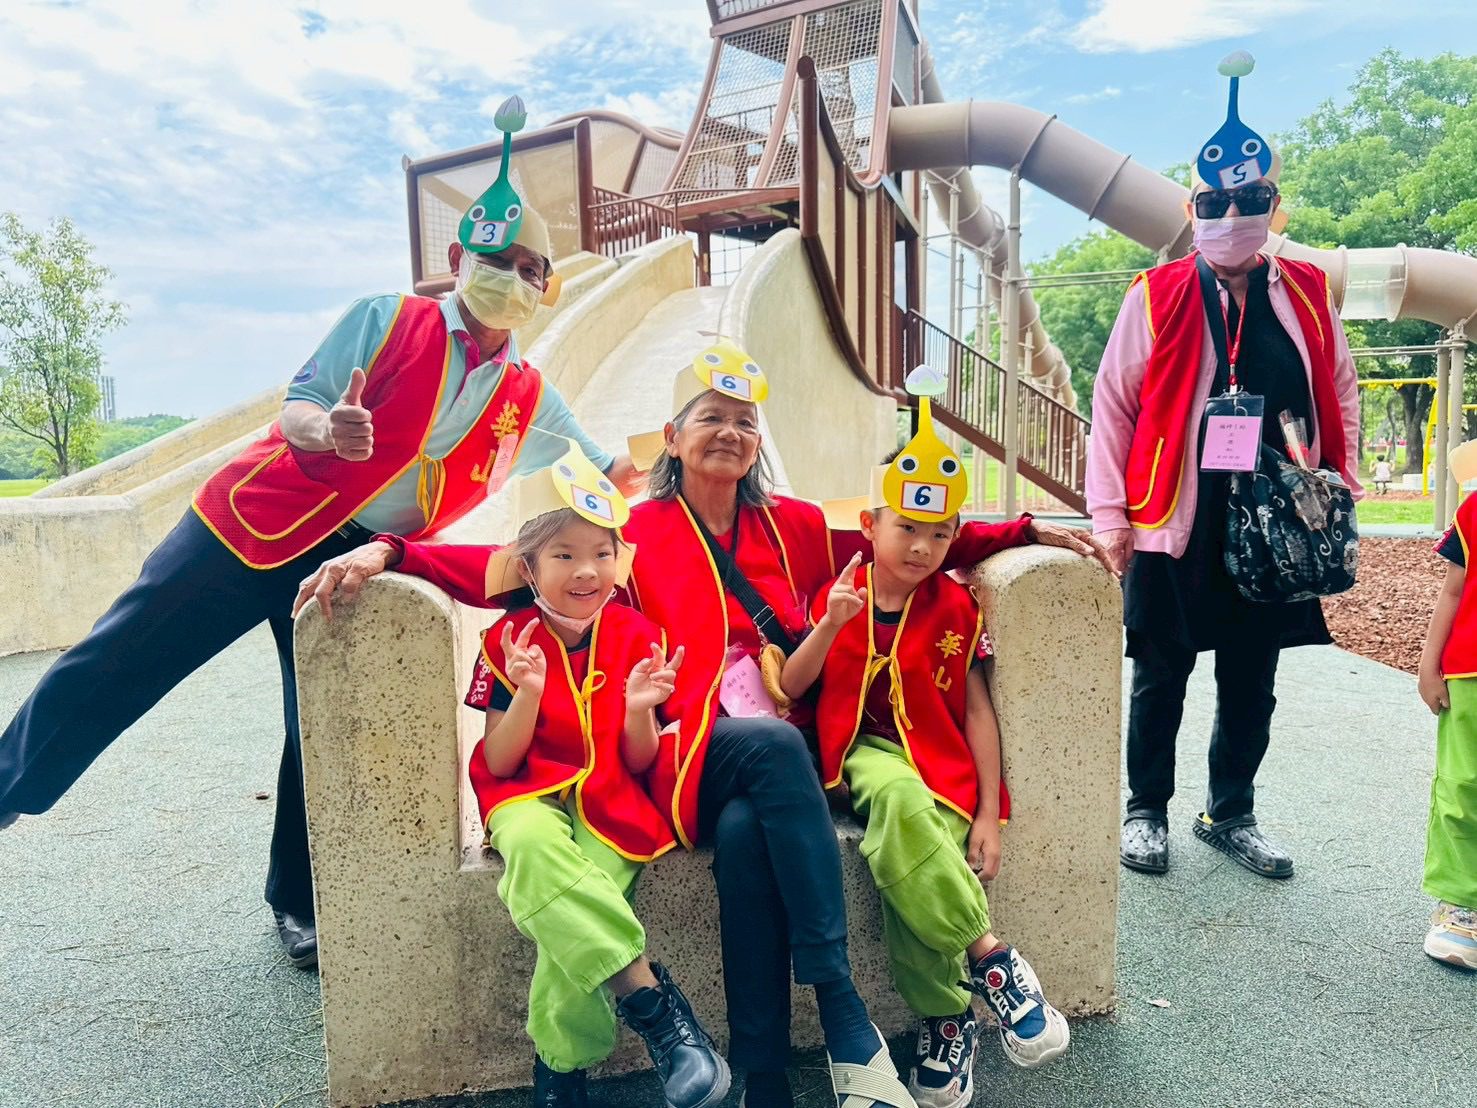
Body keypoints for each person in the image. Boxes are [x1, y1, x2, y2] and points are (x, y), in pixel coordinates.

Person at [306, 344, 1109, 1108]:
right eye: (710, 417)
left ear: (758, 442)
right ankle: (841, 1011)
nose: (729, 432)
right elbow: (497, 566)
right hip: (679, 754)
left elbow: (906, 536)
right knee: (770, 748)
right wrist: (386, 552)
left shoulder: (793, 525)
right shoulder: (627, 532)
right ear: (673, 436)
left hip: (777, 760)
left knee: (747, 831)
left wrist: (1023, 529)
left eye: (744, 421)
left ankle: (762, 1076)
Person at [0, 96, 640, 969]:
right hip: (252, 522)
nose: (513, 278)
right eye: (497, 260)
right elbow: (300, 403)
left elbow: (606, 469)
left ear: (544, 287)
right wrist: (327, 430)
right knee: (120, 657)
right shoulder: (387, 319)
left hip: (350, 561)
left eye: (531, 268)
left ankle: (298, 904)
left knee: (320, 732)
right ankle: (8, 788)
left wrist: (663, 460)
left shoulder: (530, 393)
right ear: (458, 260)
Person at [1086, 54, 1361, 880]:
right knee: (1159, 672)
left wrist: (1340, 482)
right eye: (1213, 203)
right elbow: (1114, 407)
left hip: (1275, 517)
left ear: (1274, 207)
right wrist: (1109, 516)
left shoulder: (1306, 291)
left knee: (1251, 675)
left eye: (1248, 201)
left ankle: (1229, 811)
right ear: (1191, 209)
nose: (1231, 215)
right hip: (1175, 513)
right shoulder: (1154, 293)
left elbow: (1338, 387)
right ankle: (1145, 810)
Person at [780, 385, 1069, 1108]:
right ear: (869, 523)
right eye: (906, 527)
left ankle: (947, 1020)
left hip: (941, 767)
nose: (920, 547)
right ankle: (991, 959)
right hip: (860, 758)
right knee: (897, 799)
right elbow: (791, 684)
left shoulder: (955, 604)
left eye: (939, 535)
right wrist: (830, 623)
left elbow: (975, 710)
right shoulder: (836, 591)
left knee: (907, 857)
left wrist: (988, 813)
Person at [464, 442, 729, 1107]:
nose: (586, 571)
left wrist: (640, 711)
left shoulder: (640, 635)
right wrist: (527, 694)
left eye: (602, 553)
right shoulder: (506, 641)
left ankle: (560, 1068)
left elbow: (639, 760)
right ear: (528, 567)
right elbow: (499, 762)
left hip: (612, 799)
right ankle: (654, 1006)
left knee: (579, 902)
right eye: (563, 556)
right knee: (531, 847)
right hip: (526, 794)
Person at [1414, 439, 1477, 970]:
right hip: (1469, 674)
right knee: (1462, 788)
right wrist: (1429, 664)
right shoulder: (1473, 511)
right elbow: (1453, 591)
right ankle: (1461, 905)